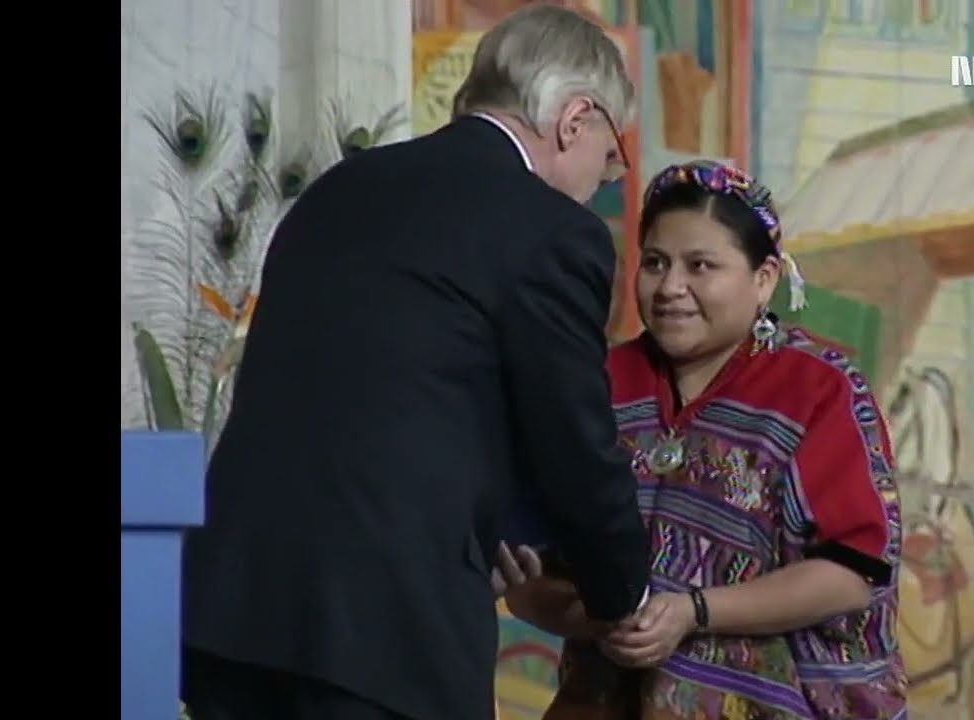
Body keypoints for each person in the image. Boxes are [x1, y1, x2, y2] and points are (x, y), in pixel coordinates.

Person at [179, 6, 653, 720]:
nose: (605, 180)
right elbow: (573, 444)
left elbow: (388, 400)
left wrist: (479, 529)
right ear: (575, 119)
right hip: (384, 633)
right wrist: (626, 598)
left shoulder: (338, 191)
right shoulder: (552, 231)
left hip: (239, 614)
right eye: (612, 156)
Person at [505, 161, 908, 720]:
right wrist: (605, 615)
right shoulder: (599, 383)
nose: (671, 288)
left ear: (764, 279)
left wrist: (692, 612)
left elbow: (850, 574)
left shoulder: (818, 389)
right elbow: (530, 578)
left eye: (701, 266)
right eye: (655, 263)